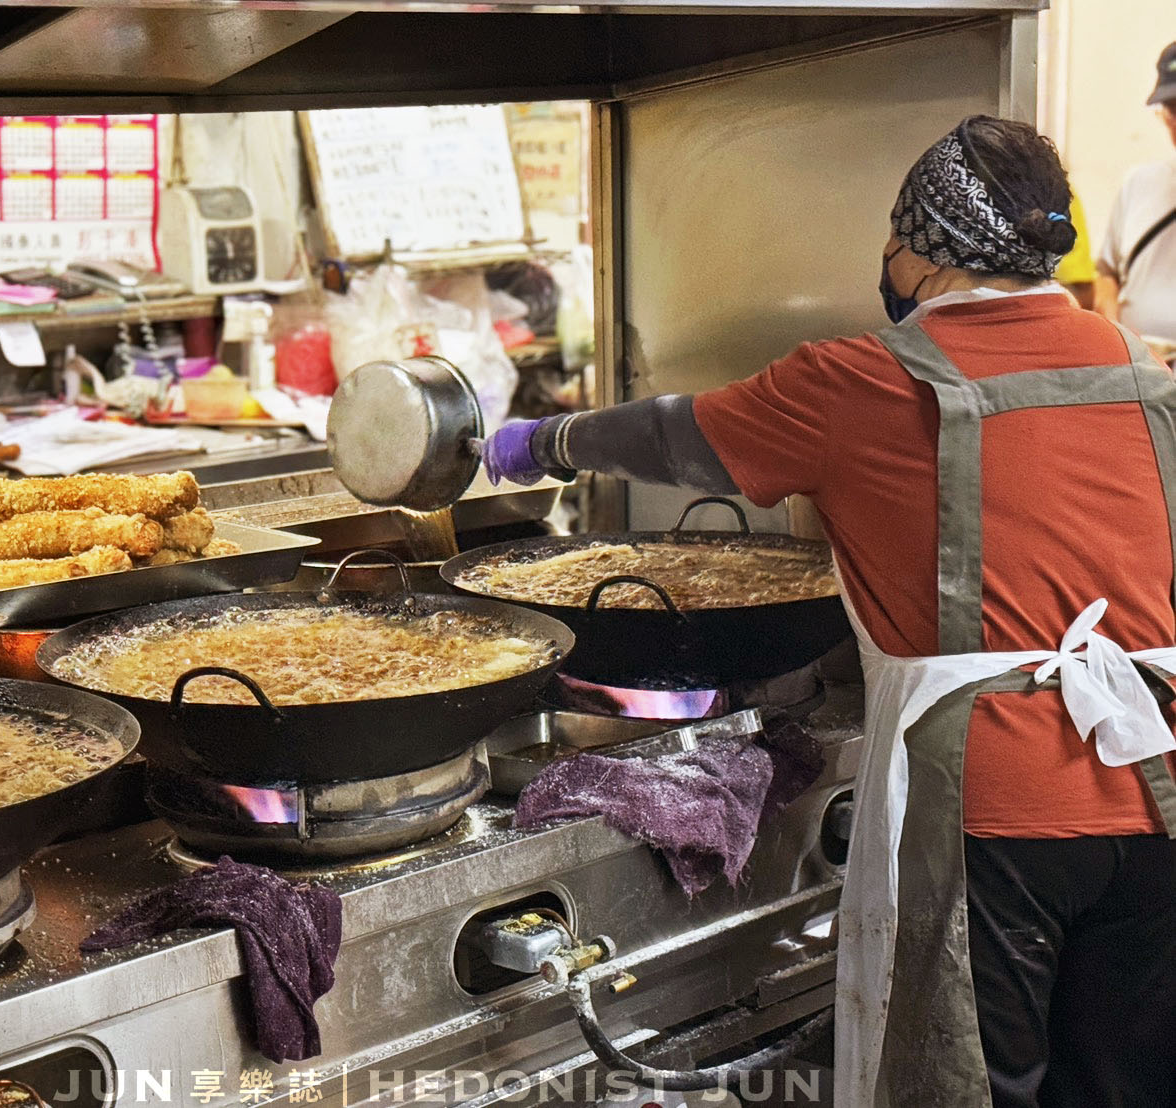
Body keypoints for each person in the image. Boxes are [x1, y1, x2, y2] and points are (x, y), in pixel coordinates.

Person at [484, 115, 1176, 1108]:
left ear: (926, 249)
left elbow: (673, 435)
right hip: (1150, 796)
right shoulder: (1142, 377)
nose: (883, 263)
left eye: (893, 239)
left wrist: (540, 444)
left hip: (994, 816)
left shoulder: (858, 380)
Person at [1095, 40, 1176, 339]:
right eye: (1173, 109)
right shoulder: (1139, 183)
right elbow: (1107, 274)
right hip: (1143, 372)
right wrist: (1115, 331)